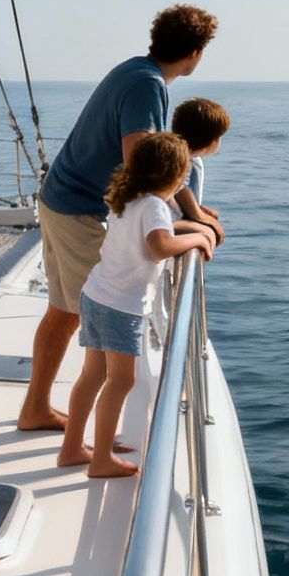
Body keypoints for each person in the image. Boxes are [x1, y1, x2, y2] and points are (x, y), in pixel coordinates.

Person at [20, 4, 222, 432]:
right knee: (96, 312)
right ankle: (82, 440)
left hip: (59, 195)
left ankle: (36, 407)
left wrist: (192, 211)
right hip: (77, 207)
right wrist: (189, 223)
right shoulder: (148, 86)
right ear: (194, 53)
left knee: (62, 311)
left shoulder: (136, 70)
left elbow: (155, 164)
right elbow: (143, 166)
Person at [57, 133, 214, 477]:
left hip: (96, 294)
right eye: (184, 175)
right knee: (121, 382)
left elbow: (153, 233)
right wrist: (199, 236)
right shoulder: (155, 206)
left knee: (91, 376)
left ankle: (71, 448)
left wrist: (185, 226)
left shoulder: (128, 198)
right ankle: (100, 460)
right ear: (173, 176)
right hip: (121, 307)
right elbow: (159, 245)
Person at [169, 97, 230, 216]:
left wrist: (197, 209)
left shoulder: (171, 155)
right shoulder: (187, 163)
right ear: (212, 140)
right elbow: (177, 192)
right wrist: (198, 215)